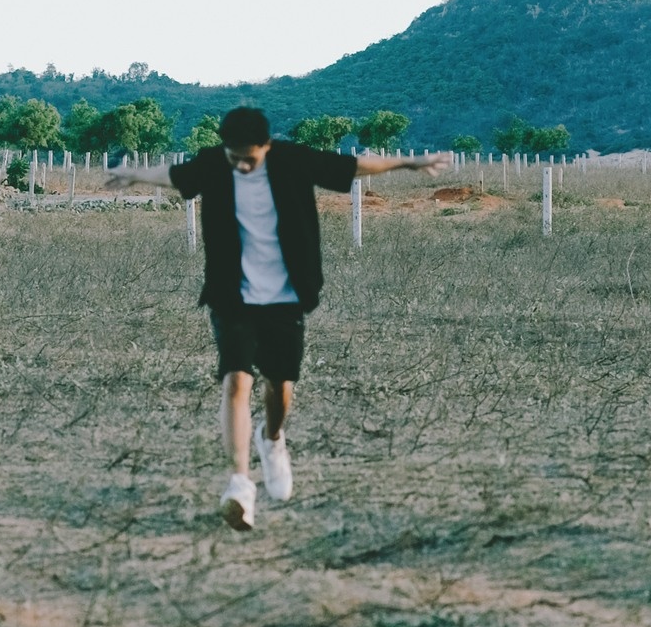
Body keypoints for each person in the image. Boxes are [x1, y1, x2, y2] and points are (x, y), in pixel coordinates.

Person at [108, 107, 451, 529]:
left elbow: (356, 166)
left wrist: (409, 162)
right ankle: (239, 485)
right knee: (237, 380)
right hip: (233, 295)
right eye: (234, 156)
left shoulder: (291, 160)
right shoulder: (216, 164)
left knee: (279, 387)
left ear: (266, 146)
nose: (241, 165)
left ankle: (272, 440)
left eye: (249, 157)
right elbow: (175, 175)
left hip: (286, 296)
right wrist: (134, 175)